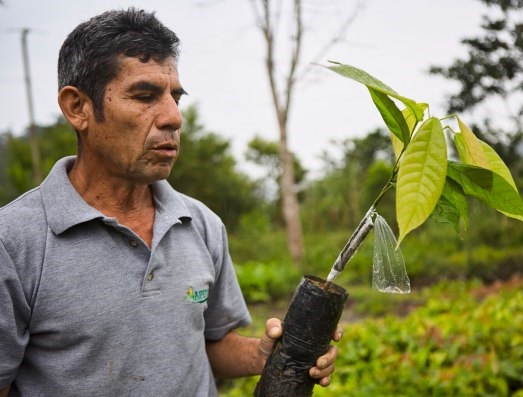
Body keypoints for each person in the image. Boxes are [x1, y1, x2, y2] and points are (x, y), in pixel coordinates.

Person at [0, 8, 340, 396]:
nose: (174, 117)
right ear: (78, 107)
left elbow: (209, 343)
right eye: (145, 96)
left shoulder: (199, 223)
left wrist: (265, 355)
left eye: (175, 97)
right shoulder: (14, 243)